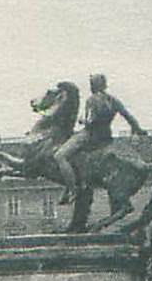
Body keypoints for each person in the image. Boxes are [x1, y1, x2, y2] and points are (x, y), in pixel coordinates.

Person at [54, 72, 146, 205]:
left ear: (93, 86)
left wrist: (81, 121)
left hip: (90, 136)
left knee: (60, 156)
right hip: (106, 137)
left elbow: (91, 121)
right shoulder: (112, 100)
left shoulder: (91, 100)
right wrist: (137, 129)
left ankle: (72, 190)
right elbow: (127, 115)